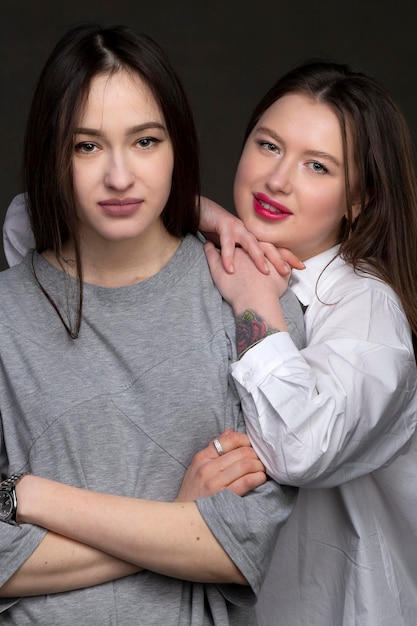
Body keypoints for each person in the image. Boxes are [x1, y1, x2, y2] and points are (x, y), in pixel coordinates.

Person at [0, 24, 306, 625]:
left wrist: (26, 498)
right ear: (51, 153)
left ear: (176, 147)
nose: (119, 176)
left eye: (144, 141)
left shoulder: (250, 304)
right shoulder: (7, 312)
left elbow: (242, 546)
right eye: (86, 146)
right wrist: (177, 519)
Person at [202, 62, 417, 624]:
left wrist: (254, 300)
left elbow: (299, 444)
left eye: (317, 165)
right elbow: (29, 225)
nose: (278, 179)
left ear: (359, 200)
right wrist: (196, 209)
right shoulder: (213, 253)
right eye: (269, 146)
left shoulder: (366, 307)